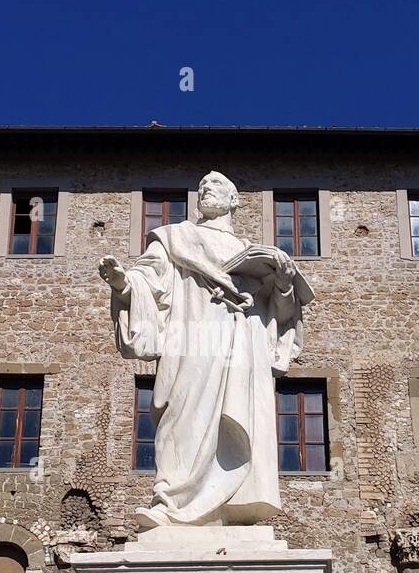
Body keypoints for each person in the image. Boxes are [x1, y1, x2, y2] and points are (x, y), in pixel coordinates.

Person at [98, 171, 313, 528]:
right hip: (190, 341)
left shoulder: (253, 252)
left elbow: (281, 318)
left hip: (240, 346)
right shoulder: (174, 238)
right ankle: (170, 500)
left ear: (234, 200)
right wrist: (124, 282)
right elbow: (147, 280)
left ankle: (231, 504)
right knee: (180, 413)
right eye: (201, 187)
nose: (205, 189)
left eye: (215, 185)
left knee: (236, 416)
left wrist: (285, 284)